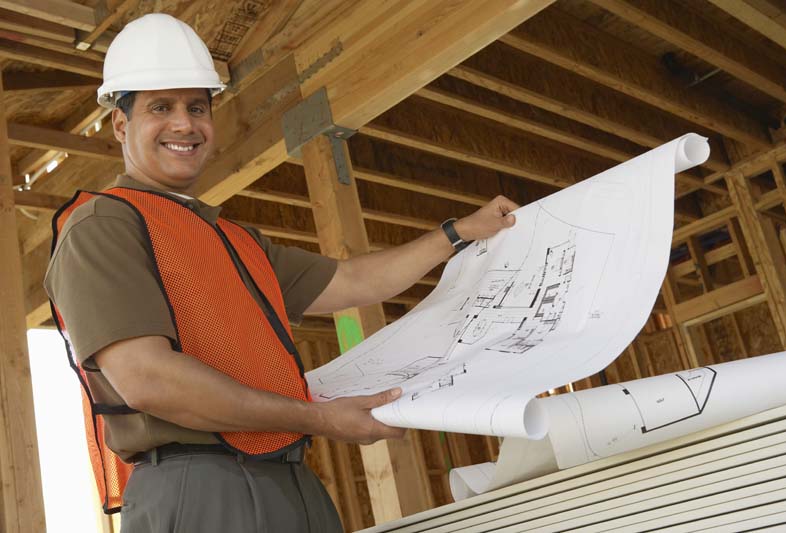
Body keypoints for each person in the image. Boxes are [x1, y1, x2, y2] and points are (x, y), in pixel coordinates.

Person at [45, 13, 519, 533]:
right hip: (198, 486)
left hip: (290, 478)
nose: (185, 124)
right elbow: (149, 380)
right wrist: (320, 418)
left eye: (197, 107)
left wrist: (456, 234)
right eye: (161, 107)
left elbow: (356, 282)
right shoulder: (103, 225)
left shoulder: (235, 241)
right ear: (120, 124)